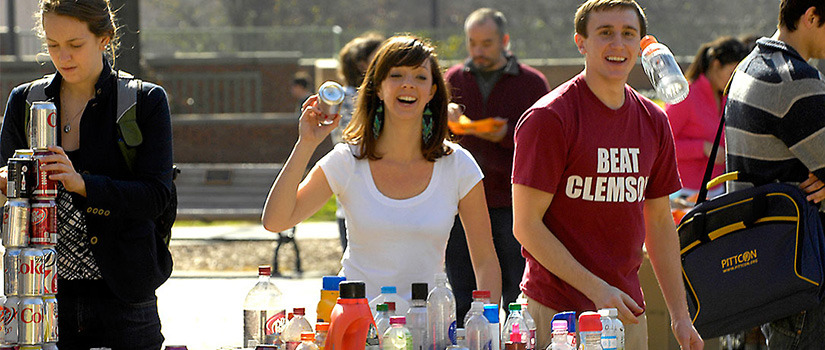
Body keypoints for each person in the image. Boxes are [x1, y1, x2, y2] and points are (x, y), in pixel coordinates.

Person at [510, 1, 704, 349]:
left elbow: (660, 223)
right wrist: (597, 290)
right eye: (605, 33)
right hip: (557, 313)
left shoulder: (654, 120)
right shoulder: (549, 118)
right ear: (581, 43)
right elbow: (526, 226)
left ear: (642, 45)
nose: (618, 44)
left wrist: (680, 315)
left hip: (626, 312)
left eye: (628, 34)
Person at [262, 35, 502, 301]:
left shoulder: (458, 165)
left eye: (420, 77)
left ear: (432, 91)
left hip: (430, 322)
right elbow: (275, 221)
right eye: (396, 75)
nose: (408, 84)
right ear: (377, 87)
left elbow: (485, 260)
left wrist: (487, 319)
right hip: (356, 320)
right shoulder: (347, 160)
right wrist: (306, 143)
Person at [0, 0, 174, 348]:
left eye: (75, 45)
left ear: (104, 38)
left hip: (125, 299)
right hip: (42, 297)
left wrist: (83, 184)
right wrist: (7, 187)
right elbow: (7, 201)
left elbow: (156, 197)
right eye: (52, 45)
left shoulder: (145, 101)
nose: (62, 57)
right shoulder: (25, 101)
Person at [723, 0, 825, 347]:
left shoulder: (750, 66)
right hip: (805, 276)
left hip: (773, 270)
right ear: (811, 16)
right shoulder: (793, 80)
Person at [443, 8, 549, 326]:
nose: (478, 51)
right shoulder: (453, 79)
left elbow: (546, 140)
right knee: (464, 292)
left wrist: (508, 134)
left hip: (513, 204)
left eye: (486, 43)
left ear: (504, 41)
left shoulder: (532, 83)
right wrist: (444, 117)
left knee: (517, 293)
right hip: (461, 203)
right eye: (472, 43)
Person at [664, 36, 747, 196]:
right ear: (716, 65)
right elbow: (662, 144)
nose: (735, 80)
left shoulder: (726, 97)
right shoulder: (686, 95)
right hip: (683, 193)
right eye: (732, 73)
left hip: (717, 190)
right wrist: (703, 148)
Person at [331, 33, 384, 251]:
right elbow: (353, 140)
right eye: (379, 55)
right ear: (362, 64)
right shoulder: (347, 98)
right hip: (356, 199)